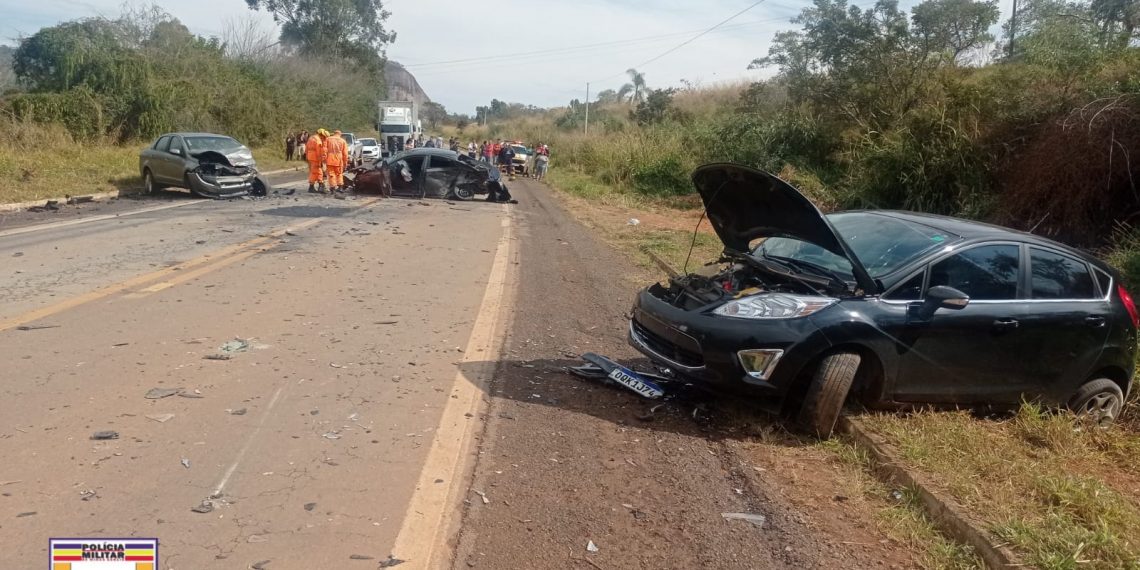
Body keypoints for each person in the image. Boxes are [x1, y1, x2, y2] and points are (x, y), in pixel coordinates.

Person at [305, 129, 327, 193]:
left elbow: (306, 148)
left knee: (313, 171)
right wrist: (320, 160)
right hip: (315, 158)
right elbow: (318, 151)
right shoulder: (318, 140)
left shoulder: (311, 138)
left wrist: (307, 157)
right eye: (323, 136)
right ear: (321, 134)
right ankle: (320, 186)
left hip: (310, 157)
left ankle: (313, 186)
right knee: (319, 171)